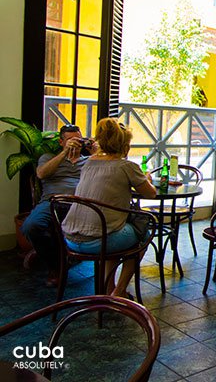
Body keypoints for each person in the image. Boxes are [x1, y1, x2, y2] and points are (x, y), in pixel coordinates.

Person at [61, 118, 157, 299]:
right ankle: (119, 292)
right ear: (125, 146)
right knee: (143, 233)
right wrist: (147, 178)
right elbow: (150, 194)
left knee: (116, 229)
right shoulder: (127, 166)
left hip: (70, 239)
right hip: (99, 241)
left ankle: (108, 288)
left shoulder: (88, 163)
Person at [21, 124, 96, 286]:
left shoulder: (89, 161)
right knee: (31, 226)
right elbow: (41, 174)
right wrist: (64, 154)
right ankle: (57, 264)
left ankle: (61, 264)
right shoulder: (48, 157)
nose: (74, 143)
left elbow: (108, 172)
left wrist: (96, 153)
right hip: (51, 202)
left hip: (81, 204)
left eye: (78, 139)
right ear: (61, 142)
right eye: (70, 140)